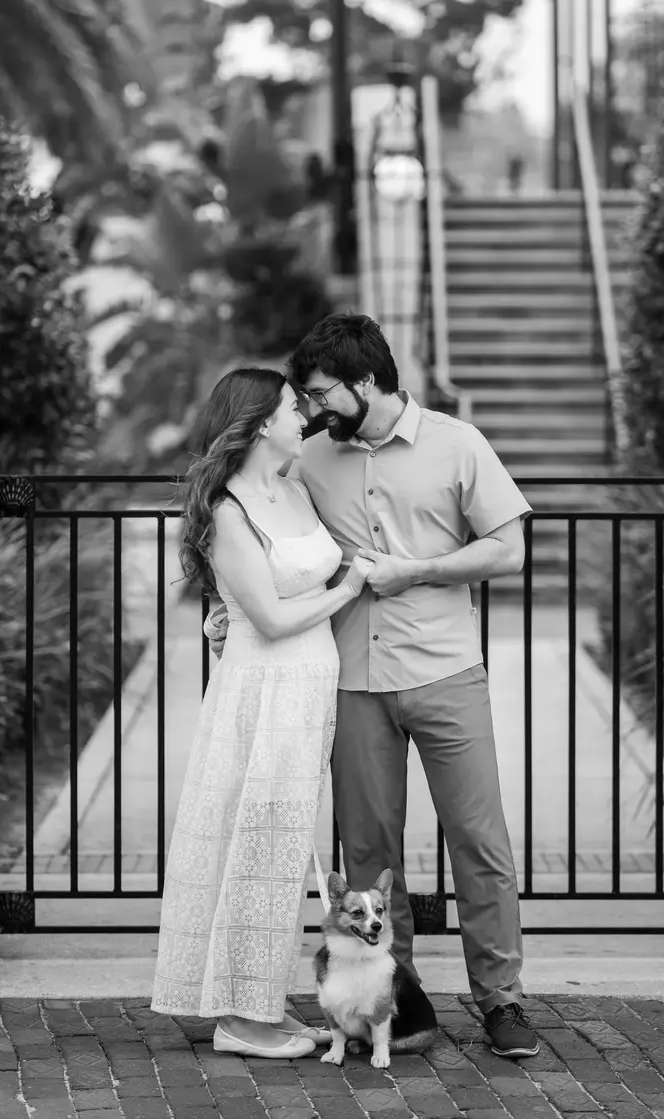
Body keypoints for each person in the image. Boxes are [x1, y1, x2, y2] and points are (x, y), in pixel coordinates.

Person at [209, 315, 538, 1058]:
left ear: (365, 383)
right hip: (351, 681)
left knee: (480, 843)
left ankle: (502, 1000)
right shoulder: (312, 457)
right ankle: (394, 998)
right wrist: (224, 608)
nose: (314, 408)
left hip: (446, 670)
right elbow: (253, 525)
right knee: (368, 854)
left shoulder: (459, 444)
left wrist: (415, 569)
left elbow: (509, 549)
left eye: (324, 393)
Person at [150, 367, 371, 1059]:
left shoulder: (295, 485)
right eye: (287, 404)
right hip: (264, 693)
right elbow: (273, 620)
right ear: (255, 422)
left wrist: (228, 611)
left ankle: (263, 1004)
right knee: (258, 849)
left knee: (283, 852)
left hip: (307, 694)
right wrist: (351, 586)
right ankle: (241, 1020)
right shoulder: (228, 510)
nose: (300, 411)